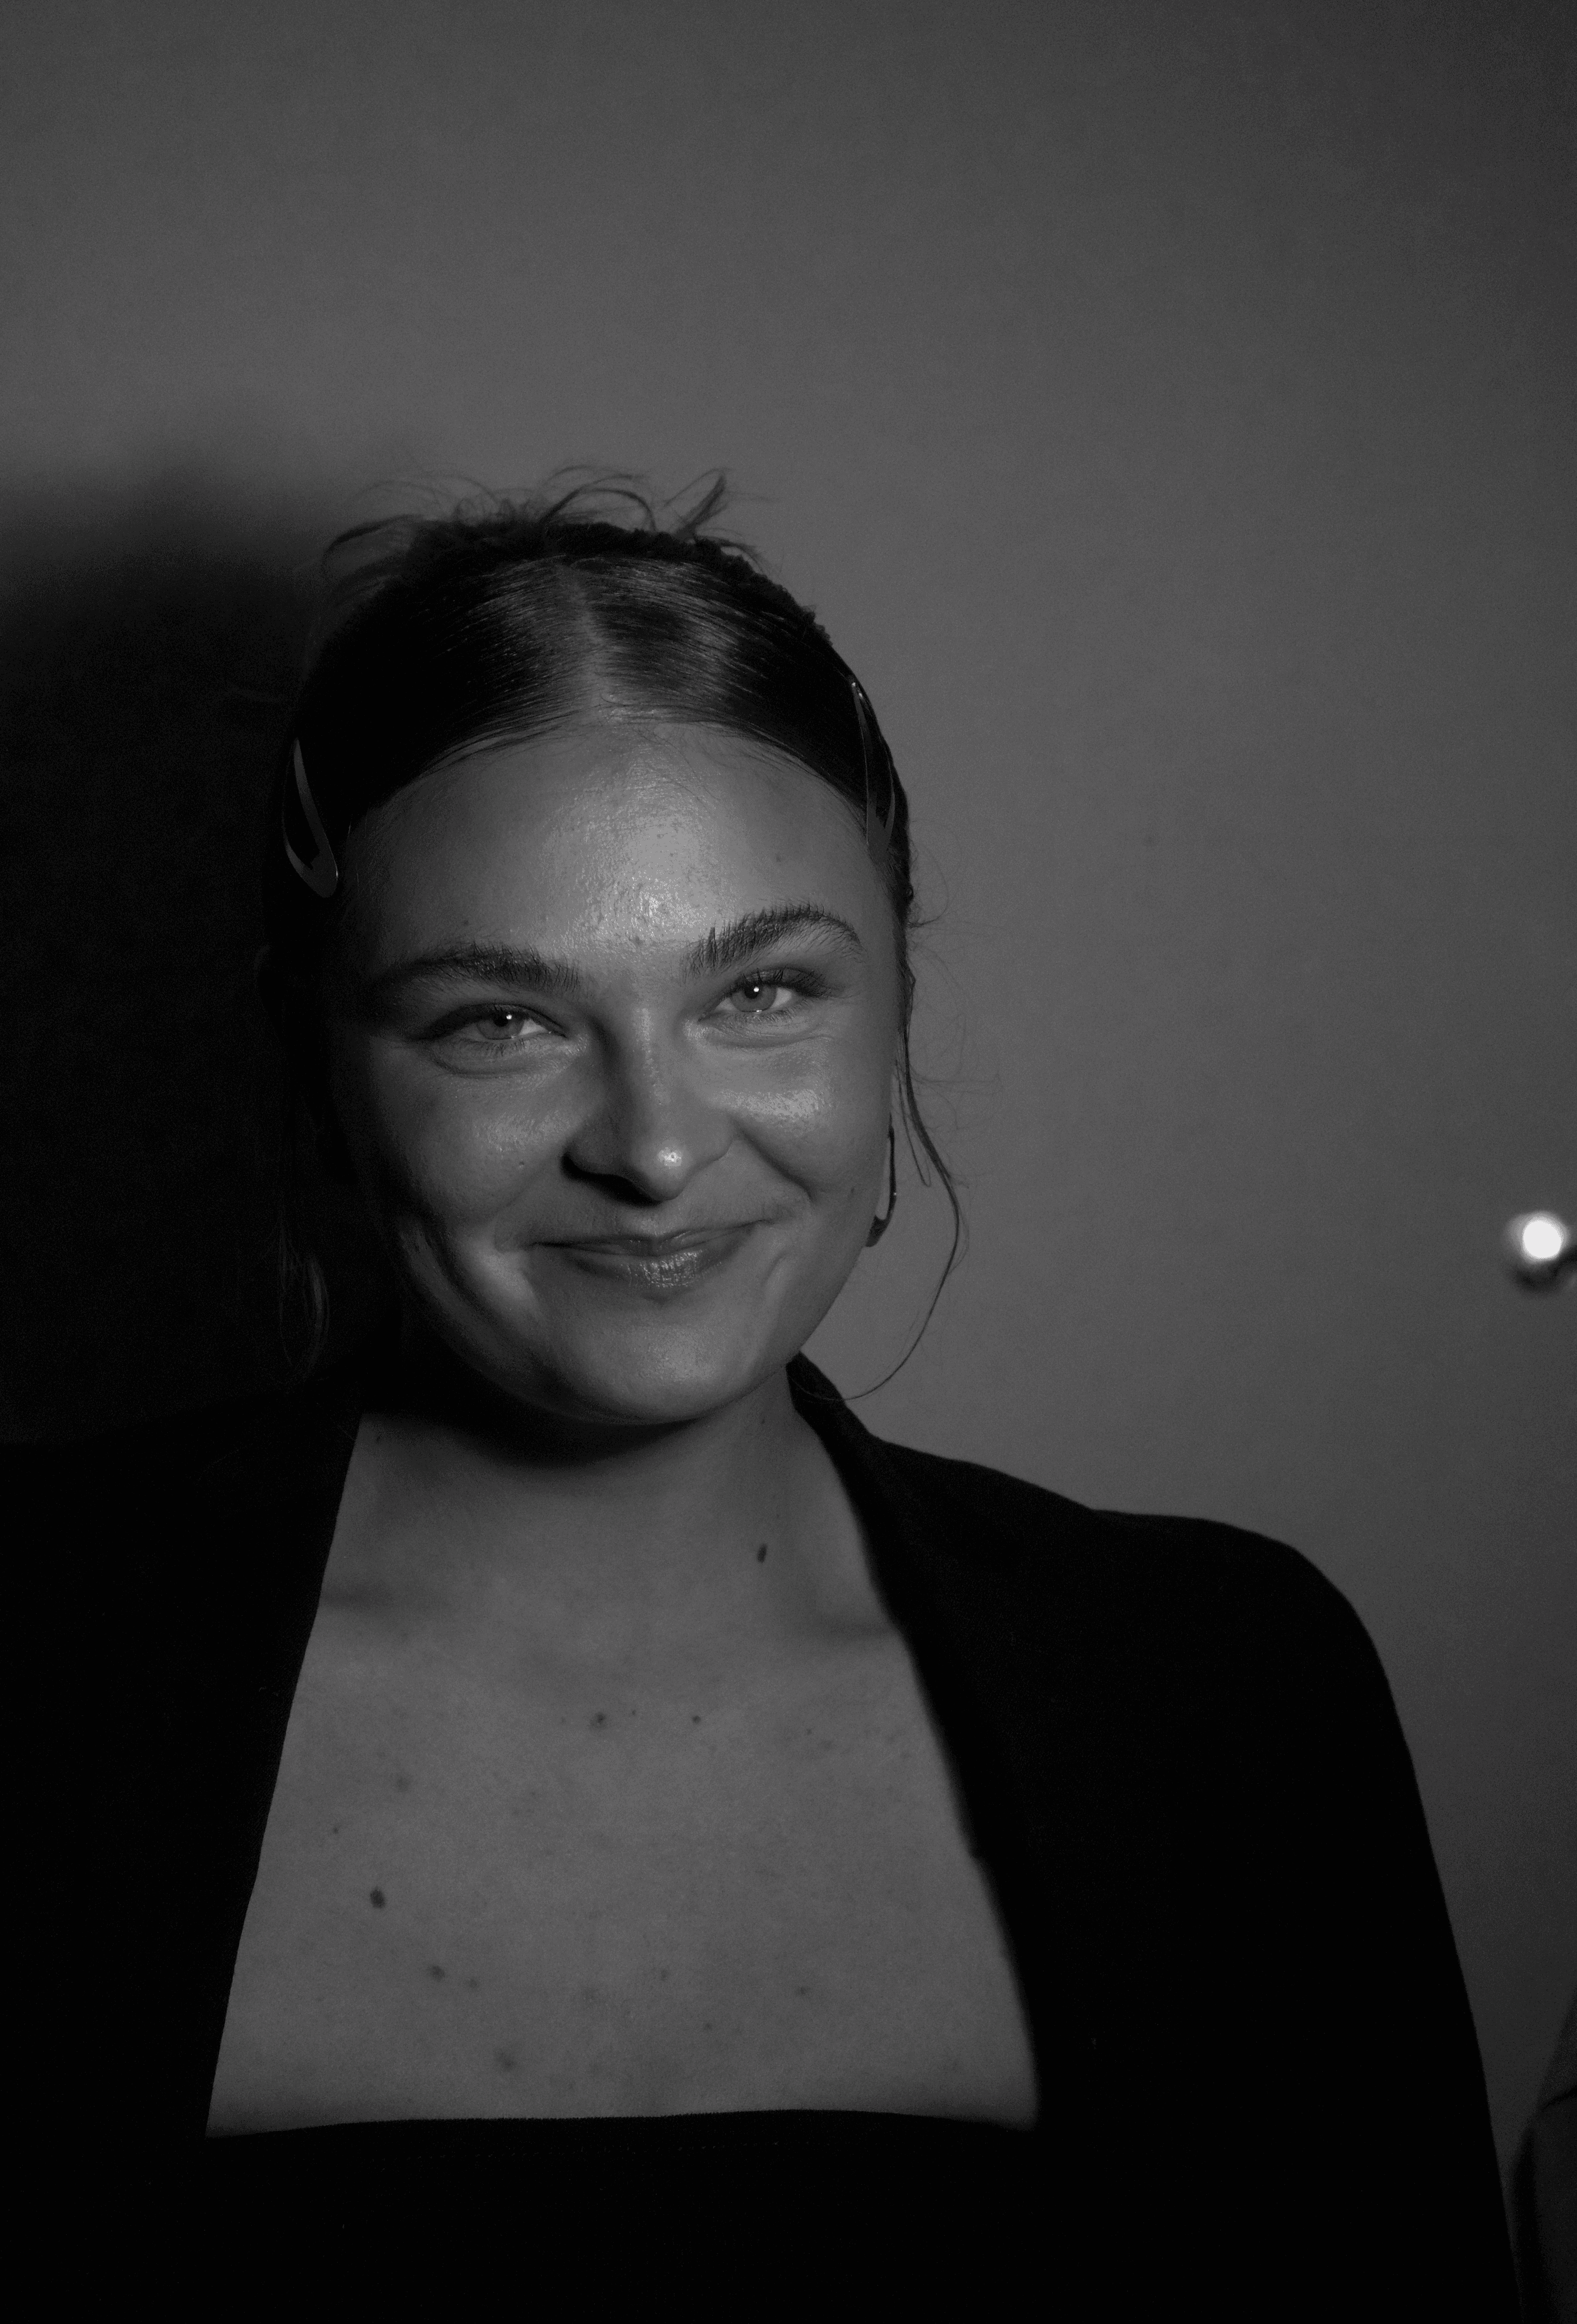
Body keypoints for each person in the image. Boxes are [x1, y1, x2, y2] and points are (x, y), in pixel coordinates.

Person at [20, 481, 1515, 2310]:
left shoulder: (1225, 1695)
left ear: (893, 1013)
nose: (651, 1145)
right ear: (323, 1084)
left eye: (762, 989)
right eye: (496, 1019)